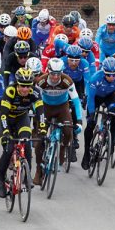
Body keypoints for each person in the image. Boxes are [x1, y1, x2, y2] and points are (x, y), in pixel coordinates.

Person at [33, 58, 82, 186]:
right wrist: (36, 115)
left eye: (58, 74)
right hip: (45, 108)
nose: (55, 77)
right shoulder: (41, 81)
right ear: (48, 72)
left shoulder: (67, 81)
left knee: (68, 130)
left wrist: (80, 122)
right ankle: (38, 170)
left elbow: (76, 101)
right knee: (39, 142)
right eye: (53, 74)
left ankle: (62, 149)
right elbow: (35, 101)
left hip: (62, 108)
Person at [0, 66, 39, 198]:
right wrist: (6, 133)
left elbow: (41, 111)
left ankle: (27, 177)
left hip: (21, 118)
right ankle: (1, 180)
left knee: (26, 143)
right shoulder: (10, 91)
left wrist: (42, 129)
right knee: (8, 150)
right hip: (7, 119)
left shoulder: (35, 93)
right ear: (17, 84)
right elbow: (3, 114)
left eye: (28, 86)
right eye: (22, 86)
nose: (25, 89)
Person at [81, 56, 115, 168]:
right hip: (95, 97)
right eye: (108, 75)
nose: (111, 77)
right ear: (103, 72)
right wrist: (91, 113)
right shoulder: (96, 78)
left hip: (109, 97)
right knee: (90, 125)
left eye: (114, 75)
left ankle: (111, 138)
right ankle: (86, 154)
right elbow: (91, 98)